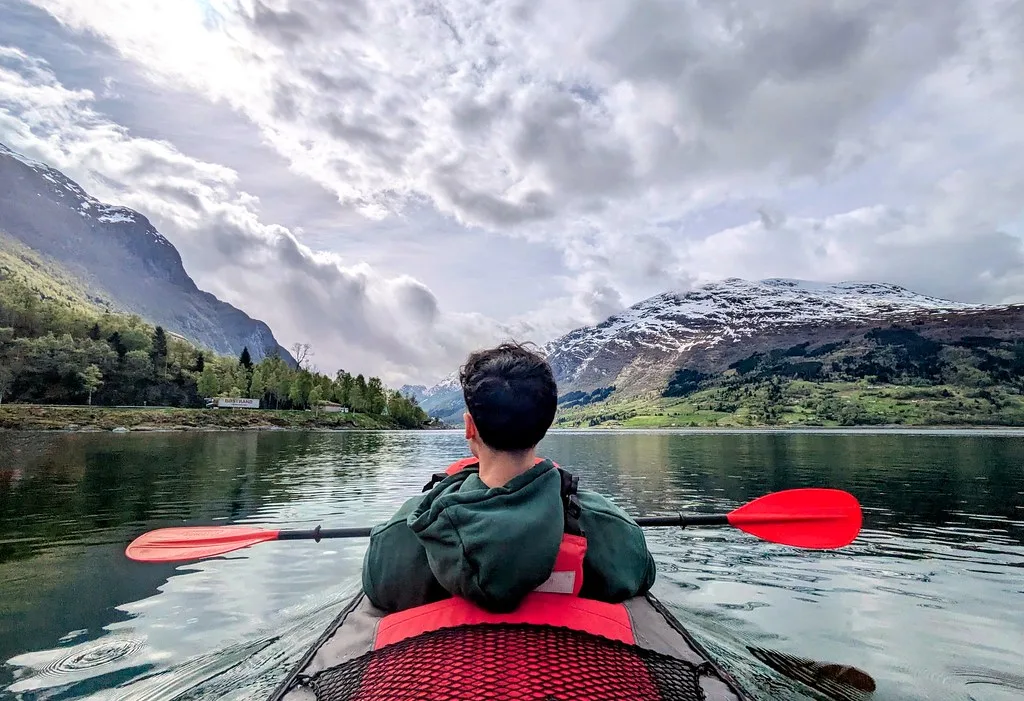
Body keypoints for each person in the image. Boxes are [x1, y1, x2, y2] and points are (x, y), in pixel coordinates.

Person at [362, 341, 657, 614]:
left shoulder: (401, 534)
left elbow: (375, 586)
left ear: (469, 428)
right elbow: (645, 573)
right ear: (546, 423)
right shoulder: (616, 531)